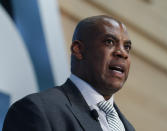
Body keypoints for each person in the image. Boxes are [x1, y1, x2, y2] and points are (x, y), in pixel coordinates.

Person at [3, 15, 135, 131]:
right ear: (78, 50)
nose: (122, 53)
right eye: (109, 42)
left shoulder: (127, 127)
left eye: (127, 47)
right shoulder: (37, 110)